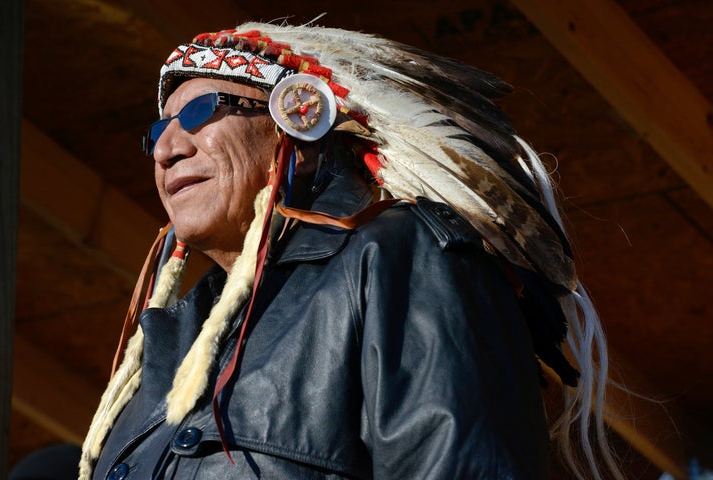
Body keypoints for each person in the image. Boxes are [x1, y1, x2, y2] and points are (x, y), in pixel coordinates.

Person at [79, 23, 619, 479]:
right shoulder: (159, 355)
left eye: (199, 113)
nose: (168, 148)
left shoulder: (398, 258)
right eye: (158, 131)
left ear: (298, 122)